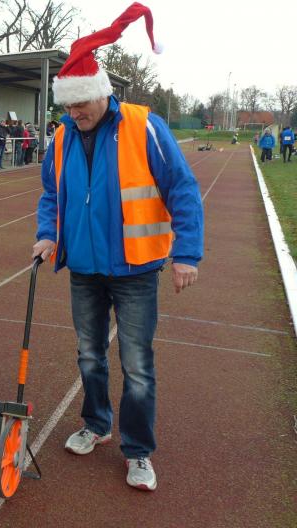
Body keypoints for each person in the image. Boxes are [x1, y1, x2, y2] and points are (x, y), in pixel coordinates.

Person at [31, 3, 203, 492]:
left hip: (135, 269)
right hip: (84, 268)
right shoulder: (61, 137)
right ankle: (96, 423)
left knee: (137, 365)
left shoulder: (144, 126)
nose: (74, 114)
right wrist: (48, 232)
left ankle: (138, 450)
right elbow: (51, 193)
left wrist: (187, 253)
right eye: (68, 107)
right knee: (89, 355)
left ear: (101, 93)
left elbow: (182, 188)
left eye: (80, 105)